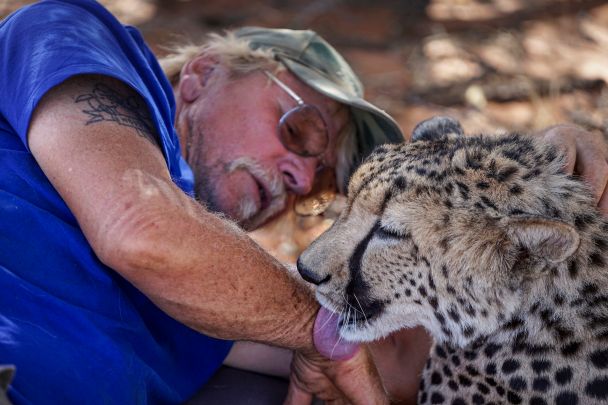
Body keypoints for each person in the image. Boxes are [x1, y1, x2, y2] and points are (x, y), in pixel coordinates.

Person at [2, 1, 608, 405]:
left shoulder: (224, 291)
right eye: (302, 130)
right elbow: (142, 228)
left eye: (320, 188)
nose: (299, 174)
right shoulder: (76, 33)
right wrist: (318, 332)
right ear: (205, 74)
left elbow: (400, 360)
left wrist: (554, 182)